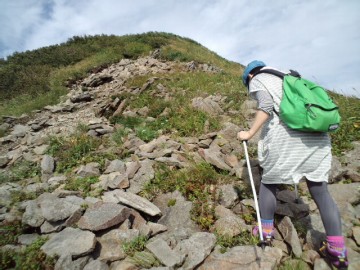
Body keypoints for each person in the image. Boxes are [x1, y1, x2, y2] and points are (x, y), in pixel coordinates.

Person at [237, 60, 348, 269]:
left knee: (269, 183)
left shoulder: (258, 79)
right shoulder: (289, 75)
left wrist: (249, 133)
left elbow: (266, 106)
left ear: (249, 76)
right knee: (320, 191)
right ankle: (338, 252)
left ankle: (265, 232)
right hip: (318, 136)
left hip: (287, 139)